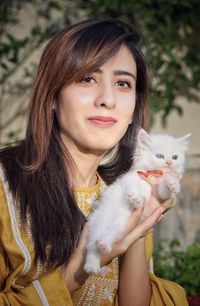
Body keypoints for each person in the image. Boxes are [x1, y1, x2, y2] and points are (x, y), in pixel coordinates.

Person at [0, 19, 188, 306]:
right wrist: (79, 269)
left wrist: (138, 228)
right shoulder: (4, 189)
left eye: (123, 84)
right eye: (88, 79)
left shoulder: (127, 191)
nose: (108, 99)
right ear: (52, 95)